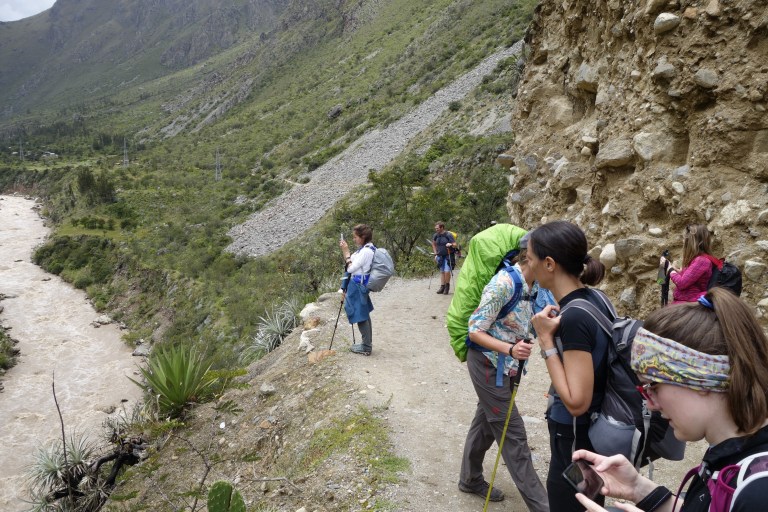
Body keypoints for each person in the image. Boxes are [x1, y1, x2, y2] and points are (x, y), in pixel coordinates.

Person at [572, 287, 768, 512]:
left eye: (653, 386)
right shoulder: (732, 452)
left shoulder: (758, 492)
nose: (651, 404)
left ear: (701, 379)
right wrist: (638, 488)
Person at [459, 233, 552, 511]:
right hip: (488, 363)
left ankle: (470, 479)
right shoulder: (503, 284)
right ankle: (544, 506)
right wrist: (510, 349)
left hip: (508, 365)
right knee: (513, 434)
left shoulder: (536, 287)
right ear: (532, 258)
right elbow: (475, 331)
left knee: (487, 422)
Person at [528, 220, 611, 511]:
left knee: (570, 500)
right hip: (596, 427)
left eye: (530, 258)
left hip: (574, 434)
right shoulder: (598, 298)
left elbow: (577, 402)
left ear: (549, 263)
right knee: (591, 498)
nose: (528, 265)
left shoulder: (574, 317)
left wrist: (545, 340)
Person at [339, 224, 375, 356]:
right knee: (364, 314)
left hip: (358, 286)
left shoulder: (365, 252)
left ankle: (366, 346)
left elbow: (350, 268)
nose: (354, 239)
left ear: (363, 236)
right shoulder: (367, 248)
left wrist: (346, 253)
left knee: (360, 315)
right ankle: (367, 343)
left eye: (355, 237)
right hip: (361, 285)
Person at [660, 224, 715, 303]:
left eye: (685, 239)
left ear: (692, 242)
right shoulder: (698, 259)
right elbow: (690, 279)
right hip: (686, 301)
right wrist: (676, 270)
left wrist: (670, 269)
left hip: (690, 302)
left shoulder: (701, 261)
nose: (683, 241)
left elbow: (682, 283)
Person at [432, 222, 456, 295]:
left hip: (448, 255)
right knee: (442, 271)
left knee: (447, 271)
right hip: (440, 256)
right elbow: (433, 244)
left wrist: (450, 244)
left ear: (442, 227)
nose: (436, 230)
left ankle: (447, 287)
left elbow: (455, 244)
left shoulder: (448, 235)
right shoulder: (436, 235)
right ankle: (442, 287)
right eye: (435, 228)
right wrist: (435, 253)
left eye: (437, 228)